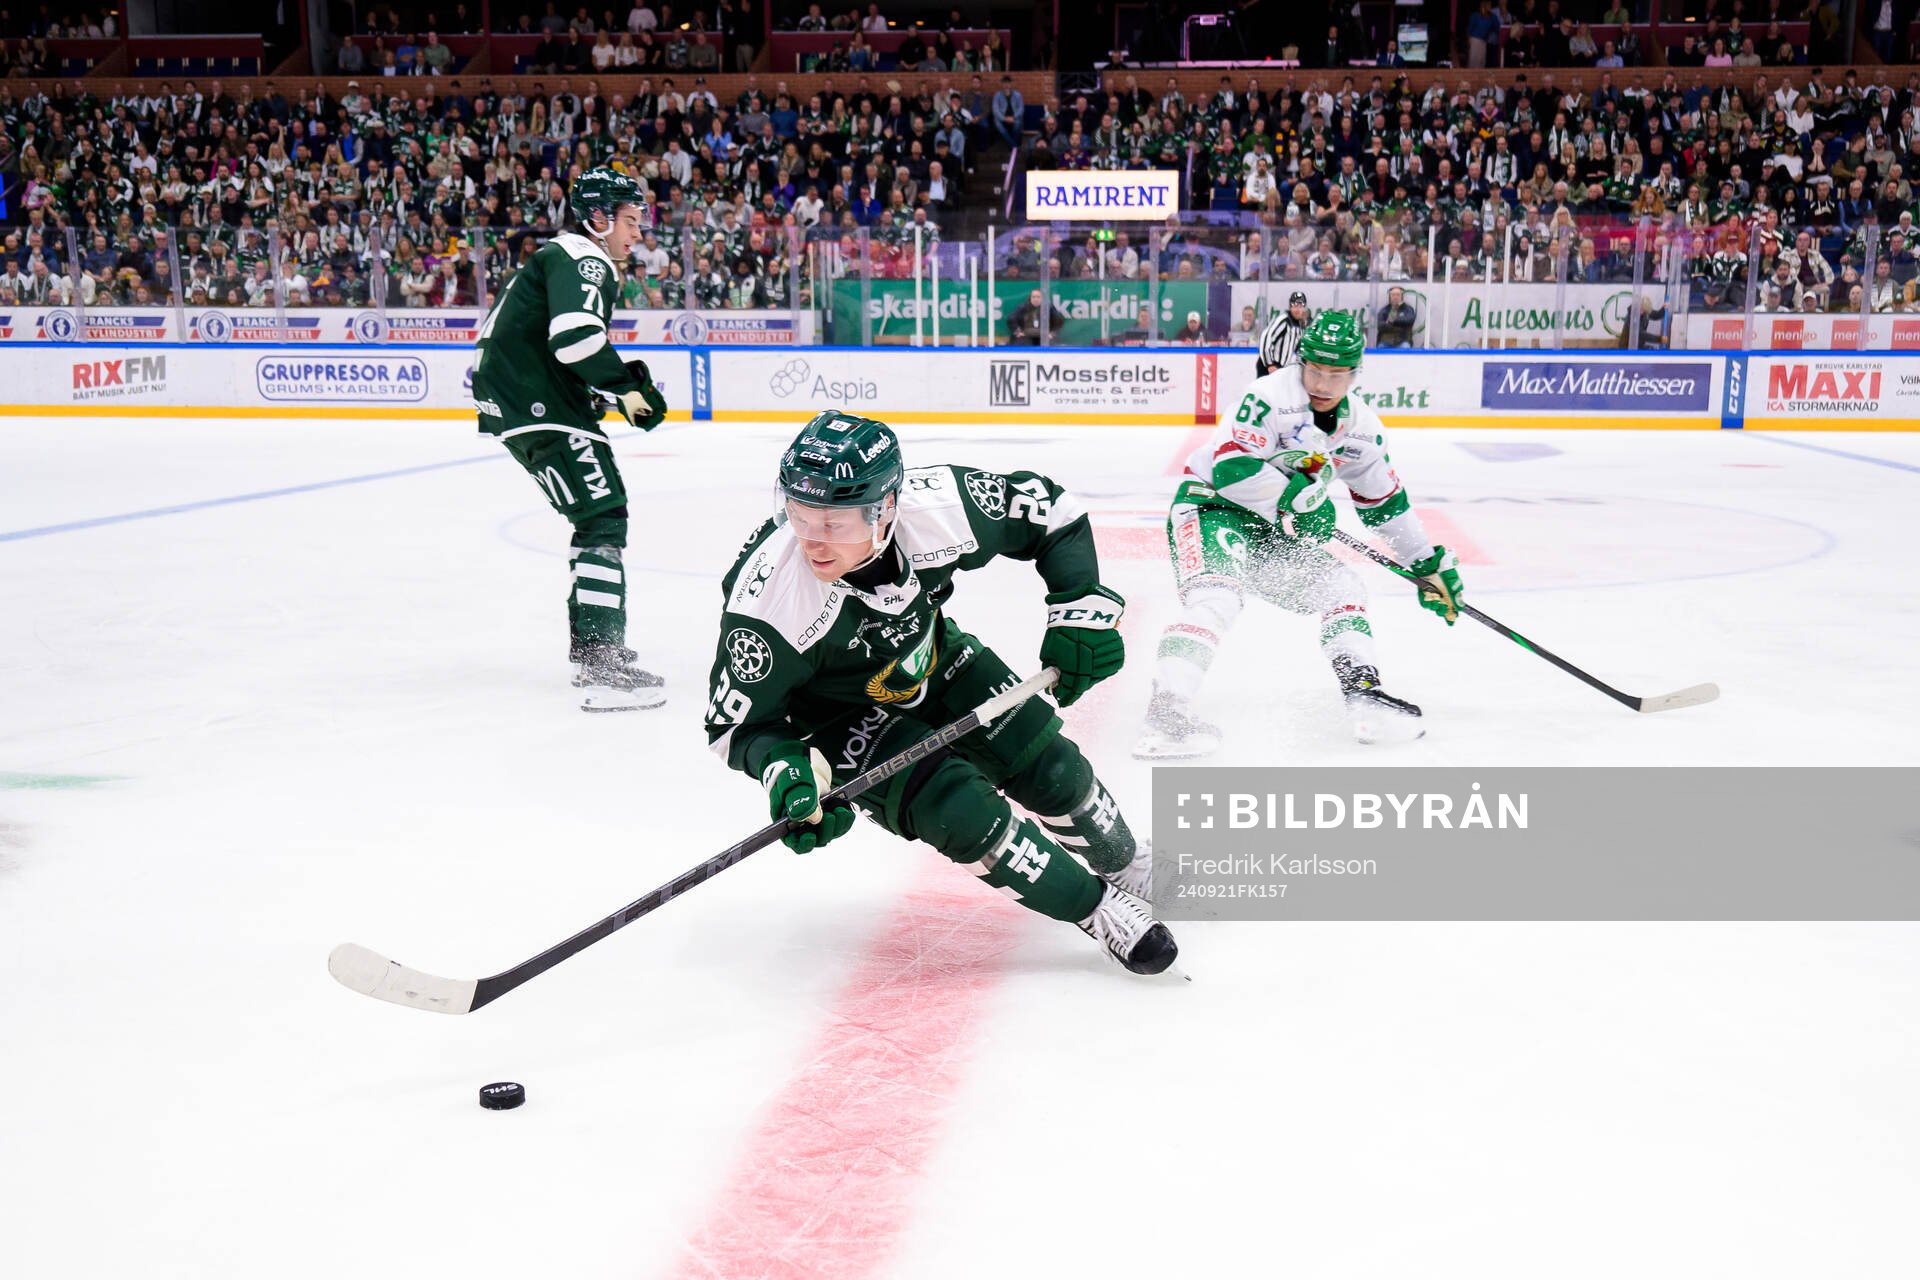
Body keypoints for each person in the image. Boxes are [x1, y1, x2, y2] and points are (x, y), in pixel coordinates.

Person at [703, 412, 1177, 975]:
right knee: (960, 810)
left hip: (931, 655)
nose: (812, 541)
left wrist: (1079, 608)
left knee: (1052, 770)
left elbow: (1050, 511)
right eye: (799, 516)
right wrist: (786, 769)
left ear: (885, 509)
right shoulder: (768, 604)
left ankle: (1125, 861)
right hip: (836, 714)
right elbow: (736, 726)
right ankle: (1097, 910)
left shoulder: (941, 505)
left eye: (834, 523)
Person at [1133, 311, 1466, 758]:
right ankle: (1165, 715)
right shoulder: (1267, 397)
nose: (1323, 384)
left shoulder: (1363, 430)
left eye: (1337, 374)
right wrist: (1297, 502)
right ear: (1301, 362)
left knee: (1342, 588)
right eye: (1315, 370)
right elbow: (1231, 470)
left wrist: (1424, 563)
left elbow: (1385, 505)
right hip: (1212, 508)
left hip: (1272, 530)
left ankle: (1364, 694)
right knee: (1217, 598)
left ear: (1355, 373)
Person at [470, 167, 672, 712]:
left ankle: (593, 649)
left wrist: (606, 397)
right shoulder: (585, 258)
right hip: (537, 403)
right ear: (599, 218)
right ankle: (601, 663)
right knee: (603, 517)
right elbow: (575, 340)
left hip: (518, 401)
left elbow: (549, 344)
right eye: (630, 220)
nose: (638, 233)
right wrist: (626, 388)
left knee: (593, 518)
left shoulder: (557, 257)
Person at [1255, 289, 1312, 375]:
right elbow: (1266, 337)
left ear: (1304, 308)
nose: (1297, 309)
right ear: (1290, 307)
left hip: (1280, 368)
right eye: (1295, 305)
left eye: (1300, 306)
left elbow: (1298, 347)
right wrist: (1269, 364)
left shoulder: (1299, 326)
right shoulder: (1284, 321)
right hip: (1268, 367)